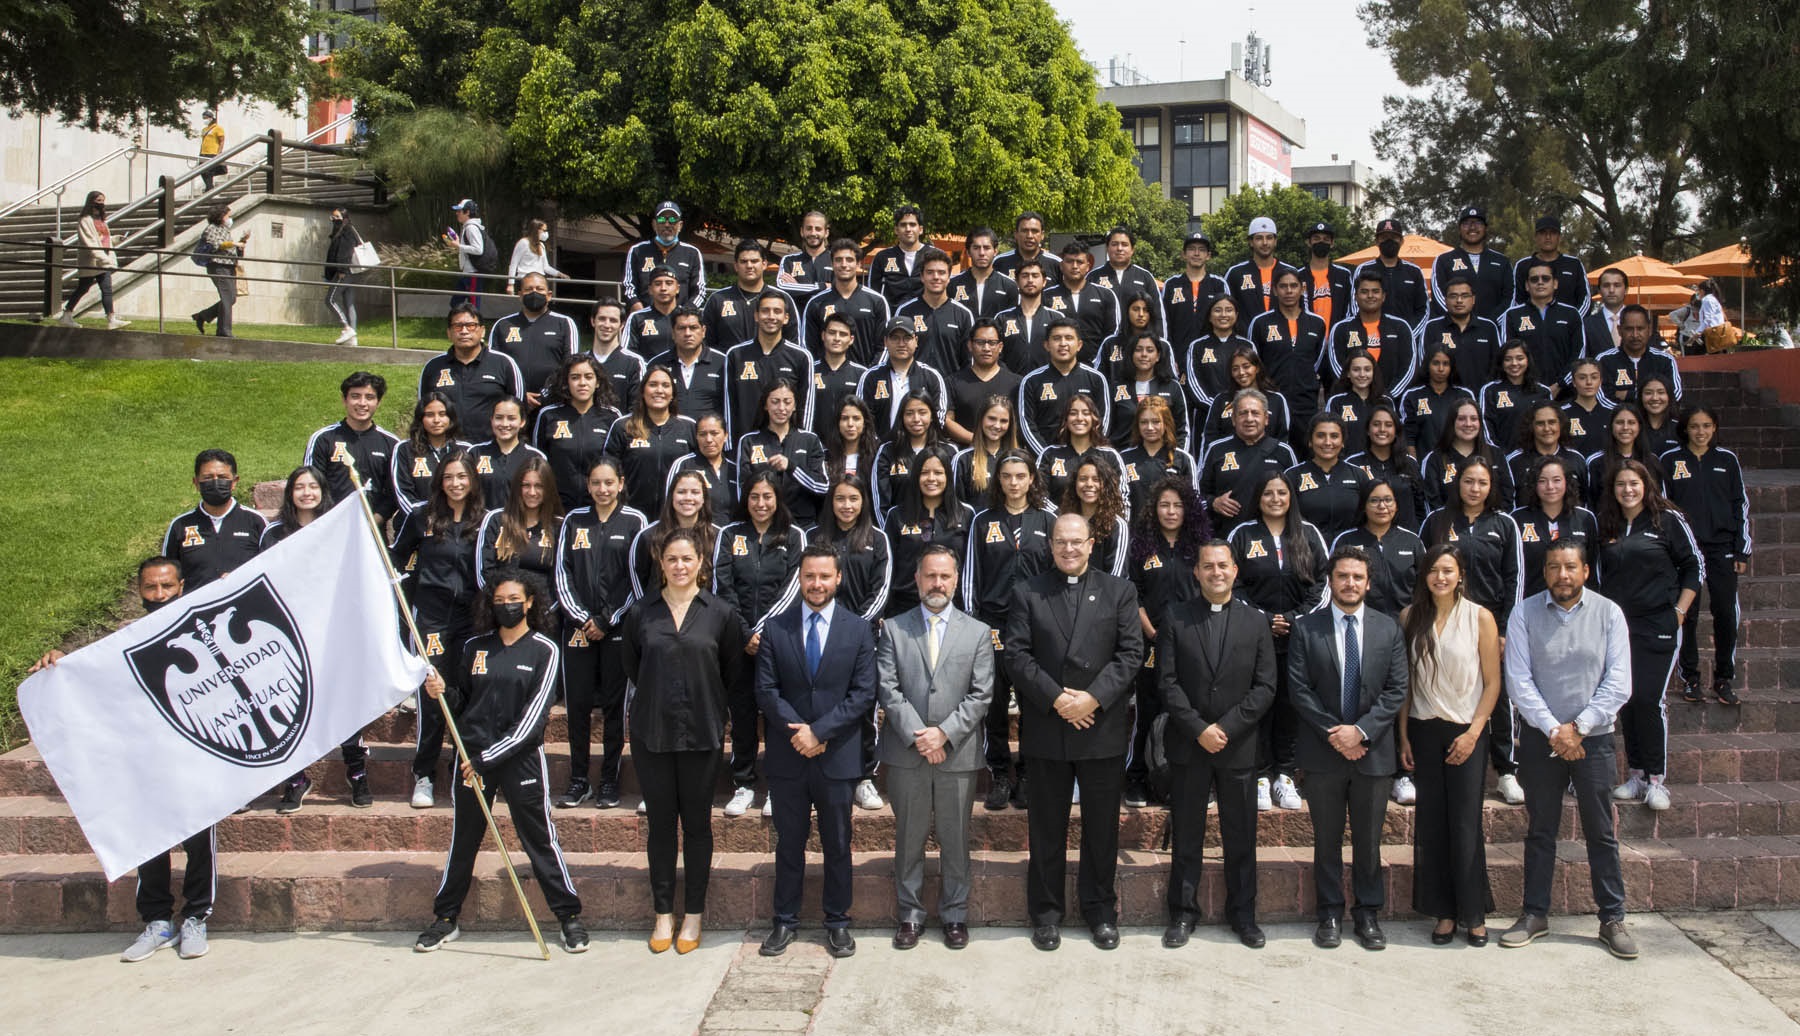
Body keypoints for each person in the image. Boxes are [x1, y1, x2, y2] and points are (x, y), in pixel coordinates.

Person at [33, 557, 216, 962]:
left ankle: (196, 917)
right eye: (151, 588)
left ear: (181, 586)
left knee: (199, 839)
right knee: (148, 836)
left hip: (193, 753)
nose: (159, 595)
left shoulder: (199, 629)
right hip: (142, 758)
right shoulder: (121, 638)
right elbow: (87, 671)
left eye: (167, 587)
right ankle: (156, 921)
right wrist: (60, 659)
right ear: (140, 591)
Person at [413, 571, 590, 954]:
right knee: (464, 839)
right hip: (470, 760)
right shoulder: (475, 647)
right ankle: (445, 918)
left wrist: (485, 759)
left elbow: (533, 719)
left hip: (518, 760)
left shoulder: (545, 649)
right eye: (499, 599)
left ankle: (568, 917)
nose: (506, 605)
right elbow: (462, 703)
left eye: (514, 598)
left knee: (539, 839)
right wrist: (442, 692)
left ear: (529, 603)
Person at [1004, 513, 1144, 951]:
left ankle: (1100, 910)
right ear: (1051, 545)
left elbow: (1131, 653)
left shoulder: (1120, 591)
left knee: (1101, 829)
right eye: (1061, 542)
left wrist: (1091, 699)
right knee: (1047, 828)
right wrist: (1059, 700)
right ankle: (1045, 915)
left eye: (1076, 542)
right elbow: (1017, 654)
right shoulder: (1028, 592)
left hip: (1100, 728)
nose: (1069, 549)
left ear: (1091, 543)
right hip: (1048, 726)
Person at [1500, 540, 1638, 959]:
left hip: (1592, 740)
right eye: (1554, 567)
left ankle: (1612, 918)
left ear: (1585, 570)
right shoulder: (1524, 612)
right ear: (1544, 572)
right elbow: (1519, 681)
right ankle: (1535, 914)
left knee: (1601, 830)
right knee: (1541, 829)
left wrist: (1577, 728)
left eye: (1571, 567)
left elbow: (1619, 682)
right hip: (1543, 740)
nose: (1563, 575)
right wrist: (1555, 730)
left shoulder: (1609, 613)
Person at [621, 527, 747, 953]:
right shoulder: (641, 614)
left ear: (701, 563)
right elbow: (635, 669)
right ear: (662, 563)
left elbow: (731, 672)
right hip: (651, 734)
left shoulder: (721, 614)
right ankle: (662, 914)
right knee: (660, 827)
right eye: (672, 559)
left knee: (696, 827)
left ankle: (692, 916)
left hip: (702, 733)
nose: (679, 566)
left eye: (687, 559)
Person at [756, 544, 879, 959]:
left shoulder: (858, 629)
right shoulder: (776, 628)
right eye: (809, 576)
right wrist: (801, 733)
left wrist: (821, 732)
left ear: (838, 578)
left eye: (825, 576)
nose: (817, 584)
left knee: (838, 842)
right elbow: (767, 691)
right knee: (789, 842)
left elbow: (863, 693)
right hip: (789, 754)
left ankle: (838, 921)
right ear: (800, 578)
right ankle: (785, 920)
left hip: (837, 754)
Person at [1289, 545, 1409, 951]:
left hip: (1372, 753)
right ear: (1330, 580)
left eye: (1357, 577)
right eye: (1343, 576)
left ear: (1368, 582)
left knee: (1368, 839)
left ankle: (1368, 914)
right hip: (1323, 753)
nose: (1350, 583)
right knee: (1326, 838)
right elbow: (1299, 690)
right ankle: (1329, 913)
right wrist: (1336, 734)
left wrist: (1360, 733)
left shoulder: (1388, 628)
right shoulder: (1308, 627)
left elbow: (1396, 691)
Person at [1158, 539, 1276, 950]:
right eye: (1207, 566)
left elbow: (1265, 687)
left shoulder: (1256, 621)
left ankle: (1243, 915)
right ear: (1197, 573)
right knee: (1187, 834)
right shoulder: (1176, 618)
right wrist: (1198, 729)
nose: (1216, 573)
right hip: (1190, 745)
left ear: (1235, 570)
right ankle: (1183, 913)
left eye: (1223, 566)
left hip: (1238, 746)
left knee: (1240, 835)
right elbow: (1167, 684)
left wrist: (1225, 727)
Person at [878, 546, 996, 950]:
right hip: (907, 754)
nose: (937, 584)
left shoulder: (977, 631)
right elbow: (888, 690)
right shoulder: (894, 629)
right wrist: (920, 735)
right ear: (917, 579)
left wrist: (943, 734)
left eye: (945, 576)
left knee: (954, 837)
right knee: (908, 837)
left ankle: (955, 914)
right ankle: (909, 915)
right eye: (930, 576)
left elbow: (981, 695)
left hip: (956, 754)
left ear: (957, 580)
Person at [1399, 545, 1502, 946]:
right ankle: (1442, 913)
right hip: (1425, 730)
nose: (1440, 578)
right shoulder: (1410, 618)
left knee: (1464, 823)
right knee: (1432, 824)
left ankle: (1473, 913)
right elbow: (1406, 685)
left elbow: (1493, 683)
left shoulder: (1480, 618)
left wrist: (1475, 732)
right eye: (1433, 571)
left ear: (1460, 575)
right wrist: (1403, 735)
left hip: (1466, 731)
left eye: (1448, 571)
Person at [261, 467, 373, 813]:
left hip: (334, 628)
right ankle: (296, 780)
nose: (306, 492)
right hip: (290, 631)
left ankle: (357, 773)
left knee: (343, 702)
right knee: (291, 705)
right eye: (299, 487)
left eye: (313, 486)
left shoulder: (339, 526)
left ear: (323, 490)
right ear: (290, 493)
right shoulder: (274, 532)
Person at [1595, 460, 1702, 812]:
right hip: (1619, 628)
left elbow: (1694, 567)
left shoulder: (1668, 520)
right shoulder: (1608, 525)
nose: (1628, 490)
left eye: (1634, 483)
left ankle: (1657, 780)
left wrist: (1679, 612)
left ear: (1646, 485)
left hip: (1658, 624)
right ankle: (1636, 774)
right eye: (1621, 484)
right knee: (1626, 698)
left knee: (1649, 700)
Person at [1421, 456, 1525, 804]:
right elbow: (1424, 573)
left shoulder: (1504, 524)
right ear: (1457, 483)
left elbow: (1515, 579)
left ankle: (1506, 770)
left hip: (1489, 621)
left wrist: (1507, 628)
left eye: (1482, 482)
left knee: (1499, 694)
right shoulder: (1437, 521)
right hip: (1444, 617)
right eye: (1468, 481)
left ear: (1491, 487)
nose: (1475, 488)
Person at [1227, 471, 1329, 812]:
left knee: (1289, 706)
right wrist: (1264, 619)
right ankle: (1260, 775)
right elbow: (1231, 583)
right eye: (1268, 492)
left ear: (1291, 497)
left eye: (1281, 493)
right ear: (1258, 497)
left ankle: (1284, 775)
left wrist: (1297, 618)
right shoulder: (1242, 534)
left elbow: (1323, 582)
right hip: (1256, 637)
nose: (1275, 499)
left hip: (1299, 637)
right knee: (1258, 706)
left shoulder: (1308, 534)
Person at [962, 450, 1057, 809]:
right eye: (1007, 476)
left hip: (1036, 625)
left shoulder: (1048, 521)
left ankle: (1029, 772)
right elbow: (972, 575)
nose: (1014, 482)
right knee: (996, 701)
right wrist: (977, 624)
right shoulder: (984, 521)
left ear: (1032, 479)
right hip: (995, 624)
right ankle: (1000, 773)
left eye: (1021, 475)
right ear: (998, 480)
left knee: (1034, 700)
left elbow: (1057, 575)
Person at [389, 452, 484, 809]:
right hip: (431, 618)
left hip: (472, 619)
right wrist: (409, 587)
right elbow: (395, 556)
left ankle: (465, 766)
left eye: (462, 477)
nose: (456, 483)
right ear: (439, 481)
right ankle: (424, 774)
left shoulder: (485, 520)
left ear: (472, 480)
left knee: (469, 692)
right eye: (448, 477)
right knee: (432, 695)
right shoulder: (422, 516)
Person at [554, 456, 648, 810]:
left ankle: (609, 780)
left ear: (621, 483)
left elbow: (636, 577)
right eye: (596, 483)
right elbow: (562, 574)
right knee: (577, 706)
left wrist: (608, 619)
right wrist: (582, 618)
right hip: (577, 630)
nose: (603, 489)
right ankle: (579, 780)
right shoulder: (573, 521)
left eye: (609, 482)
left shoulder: (635, 520)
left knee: (613, 707)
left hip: (617, 629)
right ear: (588, 485)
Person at [714, 473, 807, 817]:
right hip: (738, 643)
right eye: (754, 496)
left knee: (778, 714)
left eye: (767, 496)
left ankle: (776, 785)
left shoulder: (794, 536)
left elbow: (793, 588)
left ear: (777, 498)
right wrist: (744, 632)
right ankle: (743, 783)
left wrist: (763, 632)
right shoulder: (729, 534)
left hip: (780, 640)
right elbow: (722, 588)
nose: (761, 503)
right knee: (740, 713)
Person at [1124, 477, 1210, 805]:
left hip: (1193, 643)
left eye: (1177, 505)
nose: (1171, 511)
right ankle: (1137, 777)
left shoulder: (1200, 547)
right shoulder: (1142, 545)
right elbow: (1134, 593)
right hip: (1152, 641)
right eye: (1164, 505)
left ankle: (1192, 779)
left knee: (1192, 710)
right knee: (1148, 710)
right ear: (1153, 509)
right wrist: (1152, 633)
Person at [811, 472, 894, 806]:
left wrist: (853, 629)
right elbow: (810, 585)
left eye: (853, 499)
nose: (847, 506)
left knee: (863, 709)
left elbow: (882, 590)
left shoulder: (877, 538)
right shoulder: (816, 538)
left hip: (863, 638)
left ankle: (864, 776)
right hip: (819, 636)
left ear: (864, 502)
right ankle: (820, 773)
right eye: (840, 499)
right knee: (821, 704)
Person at [1661, 405, 1750, 705]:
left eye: (1706, 426)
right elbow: (1665, 508)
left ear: (1714, 428)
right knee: (1688, 613)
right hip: (1686, 551)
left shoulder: (1727, 460)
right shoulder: (1670, 461)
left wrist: (1742, 549)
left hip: (1722, 549)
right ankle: (1691, 678)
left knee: (1725, 612)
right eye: (1695, 426)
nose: (1701, 432)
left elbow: (1740, 505)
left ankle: (1724, 678)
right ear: (1685, 428)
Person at [884, 447, 974, 617]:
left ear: (947, 476)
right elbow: (888, 567)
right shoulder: (897, 515)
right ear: (916, 476)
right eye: (924, 472)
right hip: (904, 608)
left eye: (938, 473)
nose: (931, 478)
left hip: (952, 607)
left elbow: (972, 568)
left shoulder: (966, 514)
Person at [303, 370, 402, 524]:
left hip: (373, 529)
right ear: (344, 400)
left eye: (369, 397)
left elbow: (394, 492)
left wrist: (375, 520)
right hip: (331, 525)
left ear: (378, 402)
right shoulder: (323, 439)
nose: (362, 403)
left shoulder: (391, 443)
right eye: (355, 396)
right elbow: (311, 485)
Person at [162, 448, 267, 591]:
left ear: (234, 482)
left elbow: (270, 568)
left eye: (222, 477)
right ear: (196, 483)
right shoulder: (180, 525)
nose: (215, 482)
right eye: (208, 478)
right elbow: (166, 578)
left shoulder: (255, 521)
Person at [419, 304, 525, 443]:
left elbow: (519, 409)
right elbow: (423, 410)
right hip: (448, 449)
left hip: (492, 449)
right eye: (458, 326)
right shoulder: (433, 367)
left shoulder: (504, 363)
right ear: (449, 333)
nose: (464, 331)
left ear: (482, 331)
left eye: (470, 325)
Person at [534, 353, 624, 511]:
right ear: (566, 382)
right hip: (557, 506)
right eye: (575, 377)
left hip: (599, 505)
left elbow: (619, 463)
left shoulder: (612, 416)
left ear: (597, 382)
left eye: (588, 377)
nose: (582, 383)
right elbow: (539, 462)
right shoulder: (548, 415)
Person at [1198, 389, 1300, 528]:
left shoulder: (1283, 451)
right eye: (1243, 413)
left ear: (1266, 419)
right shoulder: (1216, 449)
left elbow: (1296, 497)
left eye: (1255, 413)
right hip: (1226, 538)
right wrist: (1213, 503)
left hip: (1272, 536)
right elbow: (1198, 494)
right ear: (1233, 419)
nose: (1249, 419)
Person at [1245, 269, 1326, 442]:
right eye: (1283, 286)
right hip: (1272, 399)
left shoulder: (1317, 323)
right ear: (1274, 290)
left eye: (1293, 286)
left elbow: (1317, 360)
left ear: (1302, 289)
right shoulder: (1260, 323)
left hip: (1306, 402)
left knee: (1306, 451)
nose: (1288, 291)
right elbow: (1253, 361)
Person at [603, 364, 695, 516]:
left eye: (665, 385)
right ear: (643, 391)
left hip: (677, 515)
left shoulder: (688, 427)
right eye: (653, 385)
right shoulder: (623, 426)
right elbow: (609, 471)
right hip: (632, 513)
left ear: (672, 394)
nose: (659, 390)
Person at [735, 378, 828, 527]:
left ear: (795, 405)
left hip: (802, 524)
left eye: (787, 401)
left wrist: (791, 467)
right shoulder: (749, 441)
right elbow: (743, 489)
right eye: (775, 401)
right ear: (765, 405)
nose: (781, 408)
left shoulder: (809, 440)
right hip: (762, 525)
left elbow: (822, 487)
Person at [723, 292, 815, 441]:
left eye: (777, 311)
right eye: (765, 311)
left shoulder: (801, 357)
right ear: (756, 316)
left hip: (786, 447)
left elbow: (806, 409)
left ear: (786, 318)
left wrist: (802, 446)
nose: (771, 316)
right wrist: (731, 448)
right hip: (747, 447)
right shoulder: (736, 355)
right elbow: (729, 407)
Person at [1018, 317, 1110, 454]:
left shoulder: (1096, 378)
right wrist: (1046, 457)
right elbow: (1027, 425)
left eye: (1068, 338)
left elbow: (1103, 420)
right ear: (1047, 345)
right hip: (1045, 461)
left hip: (1087, 460)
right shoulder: (1031, 381)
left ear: (1079, 345)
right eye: (1056, 338)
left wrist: (1086, 454)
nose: (1063, 343)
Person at [1511, 455, 1599, 600]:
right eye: (1542, 481)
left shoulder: (1585, 518)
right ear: (1534, 484)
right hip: (1531, 604)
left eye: (1556, 480)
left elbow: (1593, 570)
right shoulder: (1518, 519)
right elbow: (1513, 571)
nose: (1550, 487)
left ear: (1567, 482)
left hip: (1574, 605)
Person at [489, 272, 580, 410]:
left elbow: (571, 365)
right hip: (512, 405)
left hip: (553, 404)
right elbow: (493, 366)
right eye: (528, 289)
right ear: (520, 295)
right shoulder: (503, 325)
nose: (534, 292)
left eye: (539, 289)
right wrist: (519, 394)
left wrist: (545, 394)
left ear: (549, 295)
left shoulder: (564, 323)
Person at [630, 468, 721, 600]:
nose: (688, 498)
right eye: (681, 492)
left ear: (703, 498)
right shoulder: (649, 536)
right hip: (658, 616)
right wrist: (646, 610)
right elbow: (637, 578)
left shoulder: (717, 536)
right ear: (671, 495)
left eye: (695, 492)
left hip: (704, 615)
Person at [1326, 270, 1417, 400]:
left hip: (1391, 404)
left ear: (1383, 296)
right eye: (1364, 292)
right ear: (1356, 296)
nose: (1370, 296)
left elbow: (1408, 368)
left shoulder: (1400, 327)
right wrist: (1358, 395)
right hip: (1353, 403)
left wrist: (1388, 397)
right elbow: (1337, 368)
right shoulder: (1341, 329)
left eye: (1375, 291)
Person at [477, 456, 562, 595]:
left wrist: (544, 610)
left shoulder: (559, 526)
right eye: (526, 485)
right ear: (517, 487)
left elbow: (560, 578)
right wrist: (503, 603)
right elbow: (484, 572)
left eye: (539, 486)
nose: (532, 492)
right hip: (501, 608)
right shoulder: (496, 520)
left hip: (546, 611)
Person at [857, 317, 949, 444]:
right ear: (885, 341)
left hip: (922, 452)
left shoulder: (931, 376)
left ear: (916, 341)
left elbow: (939, 417)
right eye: (895, 338)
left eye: (907, 337)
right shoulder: (871, 377)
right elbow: (863, 417)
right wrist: (881, 447)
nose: (901, 343)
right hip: (880, 452)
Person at [802, 237, 891, 367]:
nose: (844, 265)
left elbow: (884, 345)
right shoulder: (816, 302)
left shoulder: (876, 301)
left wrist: (871, 374)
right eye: (838, 260)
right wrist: (817, 372)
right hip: (825, 380)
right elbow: (808, 346)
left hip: (866, 377)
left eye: (849, 260)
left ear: (858, 264)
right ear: (832, 264)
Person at [1501, 259, 1587, 392]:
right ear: (1527, 286)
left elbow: (1579, 353)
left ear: (1555, 283)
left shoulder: (1571, 314)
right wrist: (1530, 386)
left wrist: (1561, 384)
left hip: (1566, 392)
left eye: (1545, 278)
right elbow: (1508, 355)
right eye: (1534, 279)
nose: (1540, 282)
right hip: (1526, 391)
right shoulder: (1512, 315)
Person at [1290, 413, 1372, 550]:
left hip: (1350, 553)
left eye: (1334, 436)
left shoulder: (1358, 475)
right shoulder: (1294, 475)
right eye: (1320, 435)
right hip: (1307, 551)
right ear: (1310, 440)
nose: (1327, 442)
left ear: (1343, 441)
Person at [1420, 398, 1513, 514]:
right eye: (1461, 419)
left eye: (1474, 419)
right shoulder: (1434, 459)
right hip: (1449, 527)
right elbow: (1432, 502)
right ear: (1452, 422)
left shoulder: (1495, 454)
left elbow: (1508, 496)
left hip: (1491, 526)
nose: (1468, 424)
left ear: (1480, 422)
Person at [894, 246, 976, 374]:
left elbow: (968, 359)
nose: (936, 277)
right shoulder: (905, 311)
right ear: (922, 277)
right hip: (914, 388)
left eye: (942, 272)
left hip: (950, 387)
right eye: (930, 272)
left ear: (949, 277)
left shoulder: (963, 314)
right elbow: (895, 353)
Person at [1416, 273, 1504, 393]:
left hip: (1481, 399)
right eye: (1453, 296)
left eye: (1464, 296)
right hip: (1444, 400)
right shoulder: (1432, 328)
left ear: (1473, 299)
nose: (1459, 300)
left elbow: (1498, 366)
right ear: (1445, 300)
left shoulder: (1488, 328)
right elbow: (1425, 366)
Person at [1036, 394, 1125, 509]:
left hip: (1101, 524)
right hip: (1058, 523)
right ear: (1065, 419)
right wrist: (1060, 518)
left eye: (1086, 413)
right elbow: (1038, 494)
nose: (1079, 418)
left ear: (1094, 419)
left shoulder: (1110, 456)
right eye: (1073, 413)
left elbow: (1122, 496)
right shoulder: (1049, 454)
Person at [1197, 345, 1291, 454]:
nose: (1241, 373)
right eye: (1235, 369)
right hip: (1229, 463)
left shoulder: (1276, 400)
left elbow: (1283, 438)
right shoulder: (1221, 400)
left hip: (1266, 461)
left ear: (1257, 368)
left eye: (1246, 366)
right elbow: (1210, 438)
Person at [1348, 402, 1427, 530]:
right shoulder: (1354, 464)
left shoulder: (1409, 463)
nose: (1382, 429)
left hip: (1406, 540)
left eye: (1388, 425)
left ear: (1396, 431)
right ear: (1368, 430)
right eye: (1376, 424)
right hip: (1367, 541)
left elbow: (1421, 506)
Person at [1106, 329, 1189, 451]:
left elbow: (1183, 429)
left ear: (1158, 356)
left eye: (1150, 350)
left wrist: (1177, 460)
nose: (1144, 354)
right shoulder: (1115, 387)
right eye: (1138, 350)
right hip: (1124, 458)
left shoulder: (1172, 387)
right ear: (1131, 354)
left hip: (1164, 460)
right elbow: (1107, 428)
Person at [945, 318, 1022, 446]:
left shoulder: (1017, 383)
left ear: (1000, 346)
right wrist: (978, 441)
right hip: (966, 454)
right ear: (970, 345)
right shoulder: (952, 382)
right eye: (980, 342)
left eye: (992, 343)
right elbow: (947, 421)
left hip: (1005, 455)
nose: (986, 348)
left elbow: (1021, 424)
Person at [1118, 395, 1197, 519]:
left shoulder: (1182, 459)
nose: (1150, 427)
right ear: (1137, 425)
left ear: (1166, 423)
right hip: (1134, 533)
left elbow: (1193, 505)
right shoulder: (1123, 459)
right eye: (1144, 422)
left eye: (1156, 422)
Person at [56, 191, 128, 329]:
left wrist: (116, 239)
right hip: (92, 261)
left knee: (106, 289)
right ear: (91, 202)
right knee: (83, 288)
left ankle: (111, 318)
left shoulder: (101, 220)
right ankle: (67, 314)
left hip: (102, 260)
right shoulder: (85, 221)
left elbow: (101, 239)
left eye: (103, 200)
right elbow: (90, 243)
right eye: (98, 200)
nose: (101, 203)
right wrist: (104, 259)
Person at [393, 393, 471, 517]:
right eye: (429, 415)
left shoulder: (466, 450)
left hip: (457, 525)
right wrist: (423, 519)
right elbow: (403, 494)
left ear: (450, 417)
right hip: (417, 525)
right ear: (421, 418)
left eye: (442, 414)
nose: (436, 420)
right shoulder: (405, 449)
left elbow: (474, 491)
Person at [1430, 206, 1512, 322]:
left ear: (1485, 228)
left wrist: (1490, 324)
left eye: (1478, 223)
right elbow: (1438, 297)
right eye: (1466, 223)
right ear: (1459, 229)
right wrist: (1461, 321)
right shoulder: (1443, 260)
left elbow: (1509, 297)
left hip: (1493, 332)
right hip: (1454, 332)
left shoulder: (1502, 261)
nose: (1472, 227)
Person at [1043, 241, 1119, 363]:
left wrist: (1099, 360)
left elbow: (1112, 333)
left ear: (1088, 266)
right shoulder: (1046, 296)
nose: (1074, 266)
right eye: (1069, 261)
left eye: (1080, 262)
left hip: (1096, 365)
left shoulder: (1105, 295)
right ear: (1061, 266)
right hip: (1057, 365)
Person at [623, 200, 706, 310]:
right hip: (645, 321)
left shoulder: (692, 253)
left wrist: (682, 316)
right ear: (654, 224)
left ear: (680, 225)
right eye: (662, 220)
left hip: (680, 321)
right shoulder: (637, 251)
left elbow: (700, 291)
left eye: (672, 220)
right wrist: (642, 315)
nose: (667, 224)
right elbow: (628, 287)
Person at [1505, 402, 1589, 509]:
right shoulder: (1514, 461)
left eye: (1552, 422)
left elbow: (1586, 500)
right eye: (1540, 424)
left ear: (1561, 425)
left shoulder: (1576, 459)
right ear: (1531, 427)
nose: (1547, 428)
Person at [467, 397, 547, 510]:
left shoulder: (535, 456)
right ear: (491, 420)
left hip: (520, 523)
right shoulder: (475, 453)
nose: (505, 424)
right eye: (499, 418)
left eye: (511, 418)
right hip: (480, 524)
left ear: (522, 421)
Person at [648, 307, 727, 418]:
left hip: (708, 434)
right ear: (673, 333)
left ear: (703, 331)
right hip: (671, 433)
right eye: (681, 328)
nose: (687, 333)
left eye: (693, 328)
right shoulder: (657, 364)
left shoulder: (723, 363)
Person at [1596, 304, 1682, 405]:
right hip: (1617, 420)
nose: (1635, 335)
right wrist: (1626, 415)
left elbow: (1674, 395)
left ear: (1649, 330)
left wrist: (1628, 395)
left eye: (1640, 329)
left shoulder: (1665, 360)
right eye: (1629, 329)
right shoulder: (1604, 360)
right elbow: (1601, 398)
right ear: (1619, 330)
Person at [1184, 294, 1254, 415]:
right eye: (1217, 310)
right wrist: (1219, 407)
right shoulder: (1196, 346)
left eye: (1229, 310)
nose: (1223, 314)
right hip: (1206, 414)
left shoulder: (1247, 345)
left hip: (1242, 414)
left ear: (1236, 315)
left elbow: (1254, 381)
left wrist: (1239, 407)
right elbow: (1194, 384)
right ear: (1209, 316)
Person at [1351, 217, 1429, 326]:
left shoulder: (1414, 272)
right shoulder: (1363, 269)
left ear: (1401, 241)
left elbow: (1423, 310)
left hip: (1408, 337)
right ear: (1377, 242)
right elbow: (1355, 305)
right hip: (1372, 338)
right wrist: (1369, 332)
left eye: (1393, 237)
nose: (1389, 241)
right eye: (1384, 237)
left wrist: (1408, 334)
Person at [1061, 456, 1130, 578]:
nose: (1089, 484)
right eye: (1083, 479)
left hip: (1104, 594)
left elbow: (1116, 576)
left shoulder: (1117, 526)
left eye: (1096, 479)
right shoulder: (1064, 521)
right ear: (1074, 484)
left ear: (1106, 485)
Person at [1478, 341, 1553, 451]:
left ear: (1528, 360)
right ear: (1501, 363)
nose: (1514, 363)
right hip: (1504, 456)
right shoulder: (1490, 390)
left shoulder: (1543, 392)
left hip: (1537, 457)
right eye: (1508, 359)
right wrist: (1498, 455)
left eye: (1520, 358)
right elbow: (1486, 425)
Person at [1092, 228, 1164, 338]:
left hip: (1138, 346)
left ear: (1132, 249)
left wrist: (1158, 345)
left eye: (1124, 244)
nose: (1119, 248)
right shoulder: (1093, 277)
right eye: (1114, 244)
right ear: (1107, 248)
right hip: (1103, 345)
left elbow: (1158, 316)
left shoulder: (1145, 277)